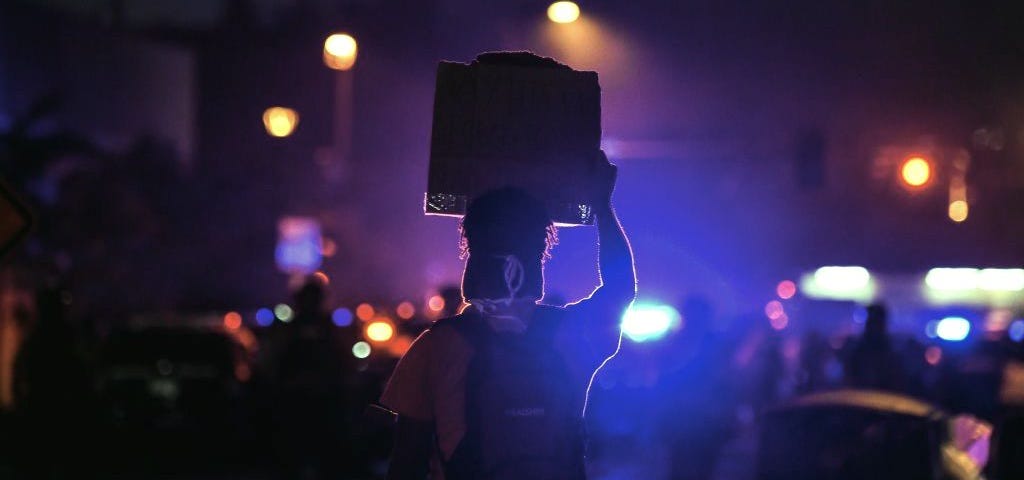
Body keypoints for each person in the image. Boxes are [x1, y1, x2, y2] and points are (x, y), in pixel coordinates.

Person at [381, 151, 635, 480]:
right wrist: (602, 204)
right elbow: (620, 288)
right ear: (537, 260)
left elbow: (407, 458)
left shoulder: (436, 346)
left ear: (472, 257)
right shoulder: (571, 336)